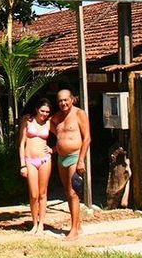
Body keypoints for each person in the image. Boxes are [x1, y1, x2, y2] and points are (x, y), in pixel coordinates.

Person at [50, 89, 91, 240]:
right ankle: (77, 225)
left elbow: (87, 138)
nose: (63, 103)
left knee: (74, 193)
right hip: (61, 158)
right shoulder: (58, 117)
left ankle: (73, 230)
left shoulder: (79, 114)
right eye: (60, 101)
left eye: (66, 100)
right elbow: (49, 124)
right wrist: (57, 142)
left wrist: (81, 160)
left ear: (72, 99)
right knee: (68, 192)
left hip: (75, 157)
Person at [18, 98, 53, 234]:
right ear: (37, 109)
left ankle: (41, 225)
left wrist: (53, 148)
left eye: (47, 112)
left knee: (43, 193)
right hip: (30, 160)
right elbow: (21, 144)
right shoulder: (27, 121)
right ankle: (34, 223)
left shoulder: (49, 123)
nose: (44, 114)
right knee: (33, 194)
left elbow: (63, 134)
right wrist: (22, 165)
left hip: (45, 160)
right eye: (42, 110)